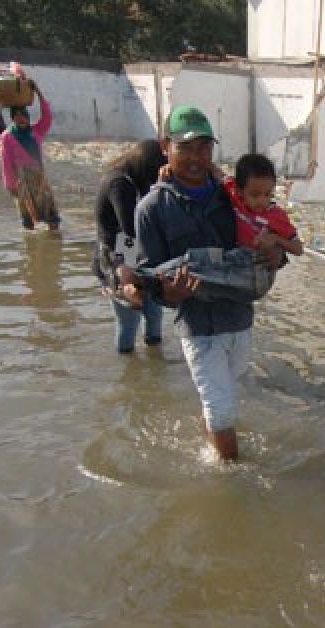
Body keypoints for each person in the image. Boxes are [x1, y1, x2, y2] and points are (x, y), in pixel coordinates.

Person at [135, 106, 285, 461]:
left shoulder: (230, 195)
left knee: (224, 396)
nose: (195, 158)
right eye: (185, 148)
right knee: (221, 409)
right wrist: (170, 293)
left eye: (203, 148)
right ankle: (233, 479)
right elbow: (149, 276)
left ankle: (209, 443)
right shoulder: (151, 209)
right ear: (165, 147)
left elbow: (270, 233)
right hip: (198, 326)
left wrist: (278, 254)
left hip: (240, 319)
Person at [93, 139, 168, 353]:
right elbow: (131, 227)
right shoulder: (119, 184)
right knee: (129, 320)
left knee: (154, 311)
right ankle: (128, 372)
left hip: (138, 255)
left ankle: (154, 359)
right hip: (118, 260)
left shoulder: (134, 181)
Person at [0, 81, 60, 231]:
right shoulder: (7, 136)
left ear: (28, 117)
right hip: (21, 180)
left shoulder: (36, 131)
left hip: (38, 176)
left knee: (52, 217)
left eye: (23, 115)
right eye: (16, 116)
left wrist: (38, 92)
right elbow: (6, 161)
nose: (20, 119)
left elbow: (47, 116)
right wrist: (10, 184)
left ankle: (53, 244)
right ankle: (31, 250)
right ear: (12, 118)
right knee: (27, 219)